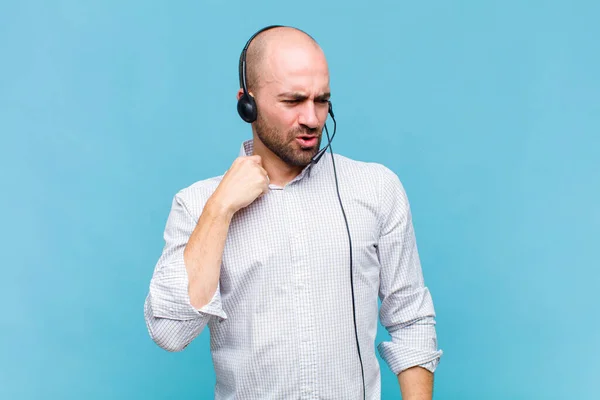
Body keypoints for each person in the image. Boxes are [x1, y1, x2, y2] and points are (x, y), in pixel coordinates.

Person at [144, 25, 443, 400]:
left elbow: (411, 320)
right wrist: (220, 209)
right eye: (293, 101)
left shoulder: (376, 189)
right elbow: (171, 332)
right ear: (246, 104)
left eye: (321, 101)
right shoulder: (197, 204)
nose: (312, 119)